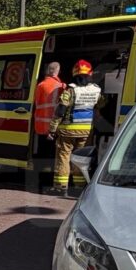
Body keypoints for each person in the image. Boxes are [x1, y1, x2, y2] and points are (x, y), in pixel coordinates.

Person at [48, 59, 102, 195]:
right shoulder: (96, 90)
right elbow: (101, 104)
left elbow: (60, 111)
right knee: (81, 158)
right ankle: (79, 186)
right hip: (86, 131)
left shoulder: (70, 90)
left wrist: (52, 129)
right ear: (90, 74)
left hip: (67, 130)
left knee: (64, 157)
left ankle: (61, 187)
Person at [34, 62, 65, 161]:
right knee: (52, 155)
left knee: (41, 152)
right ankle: (48, 175)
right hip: (53, 127)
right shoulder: (61, 86)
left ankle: (39, 173)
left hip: (40, 125)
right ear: (58, 72)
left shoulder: (40, 85)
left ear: (48, 71)